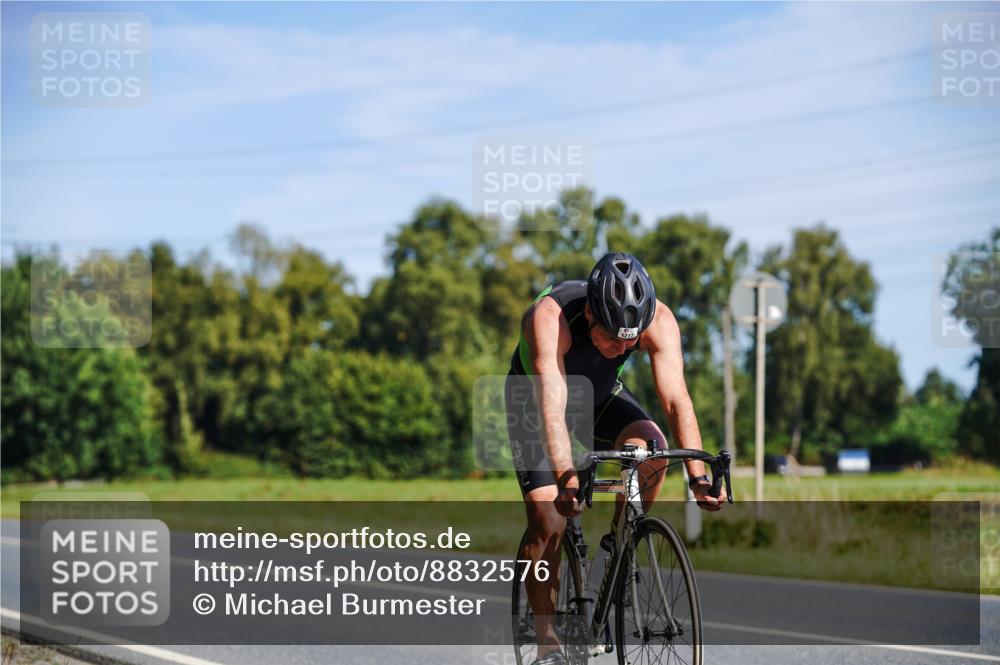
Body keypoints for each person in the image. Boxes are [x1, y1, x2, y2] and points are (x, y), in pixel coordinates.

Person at [506, 252, 727, 665]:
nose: (623, 348)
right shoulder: (549, 318)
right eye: (613, 338)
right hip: (536, 403)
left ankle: (623, 542)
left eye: (631, 340)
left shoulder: (658, 320)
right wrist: (568, 479)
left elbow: (677, 399)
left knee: (652, 447)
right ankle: (547, 643)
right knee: (549, 520)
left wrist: (698, 476)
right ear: (590, 313)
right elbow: (552, 411)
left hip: (600, 399)